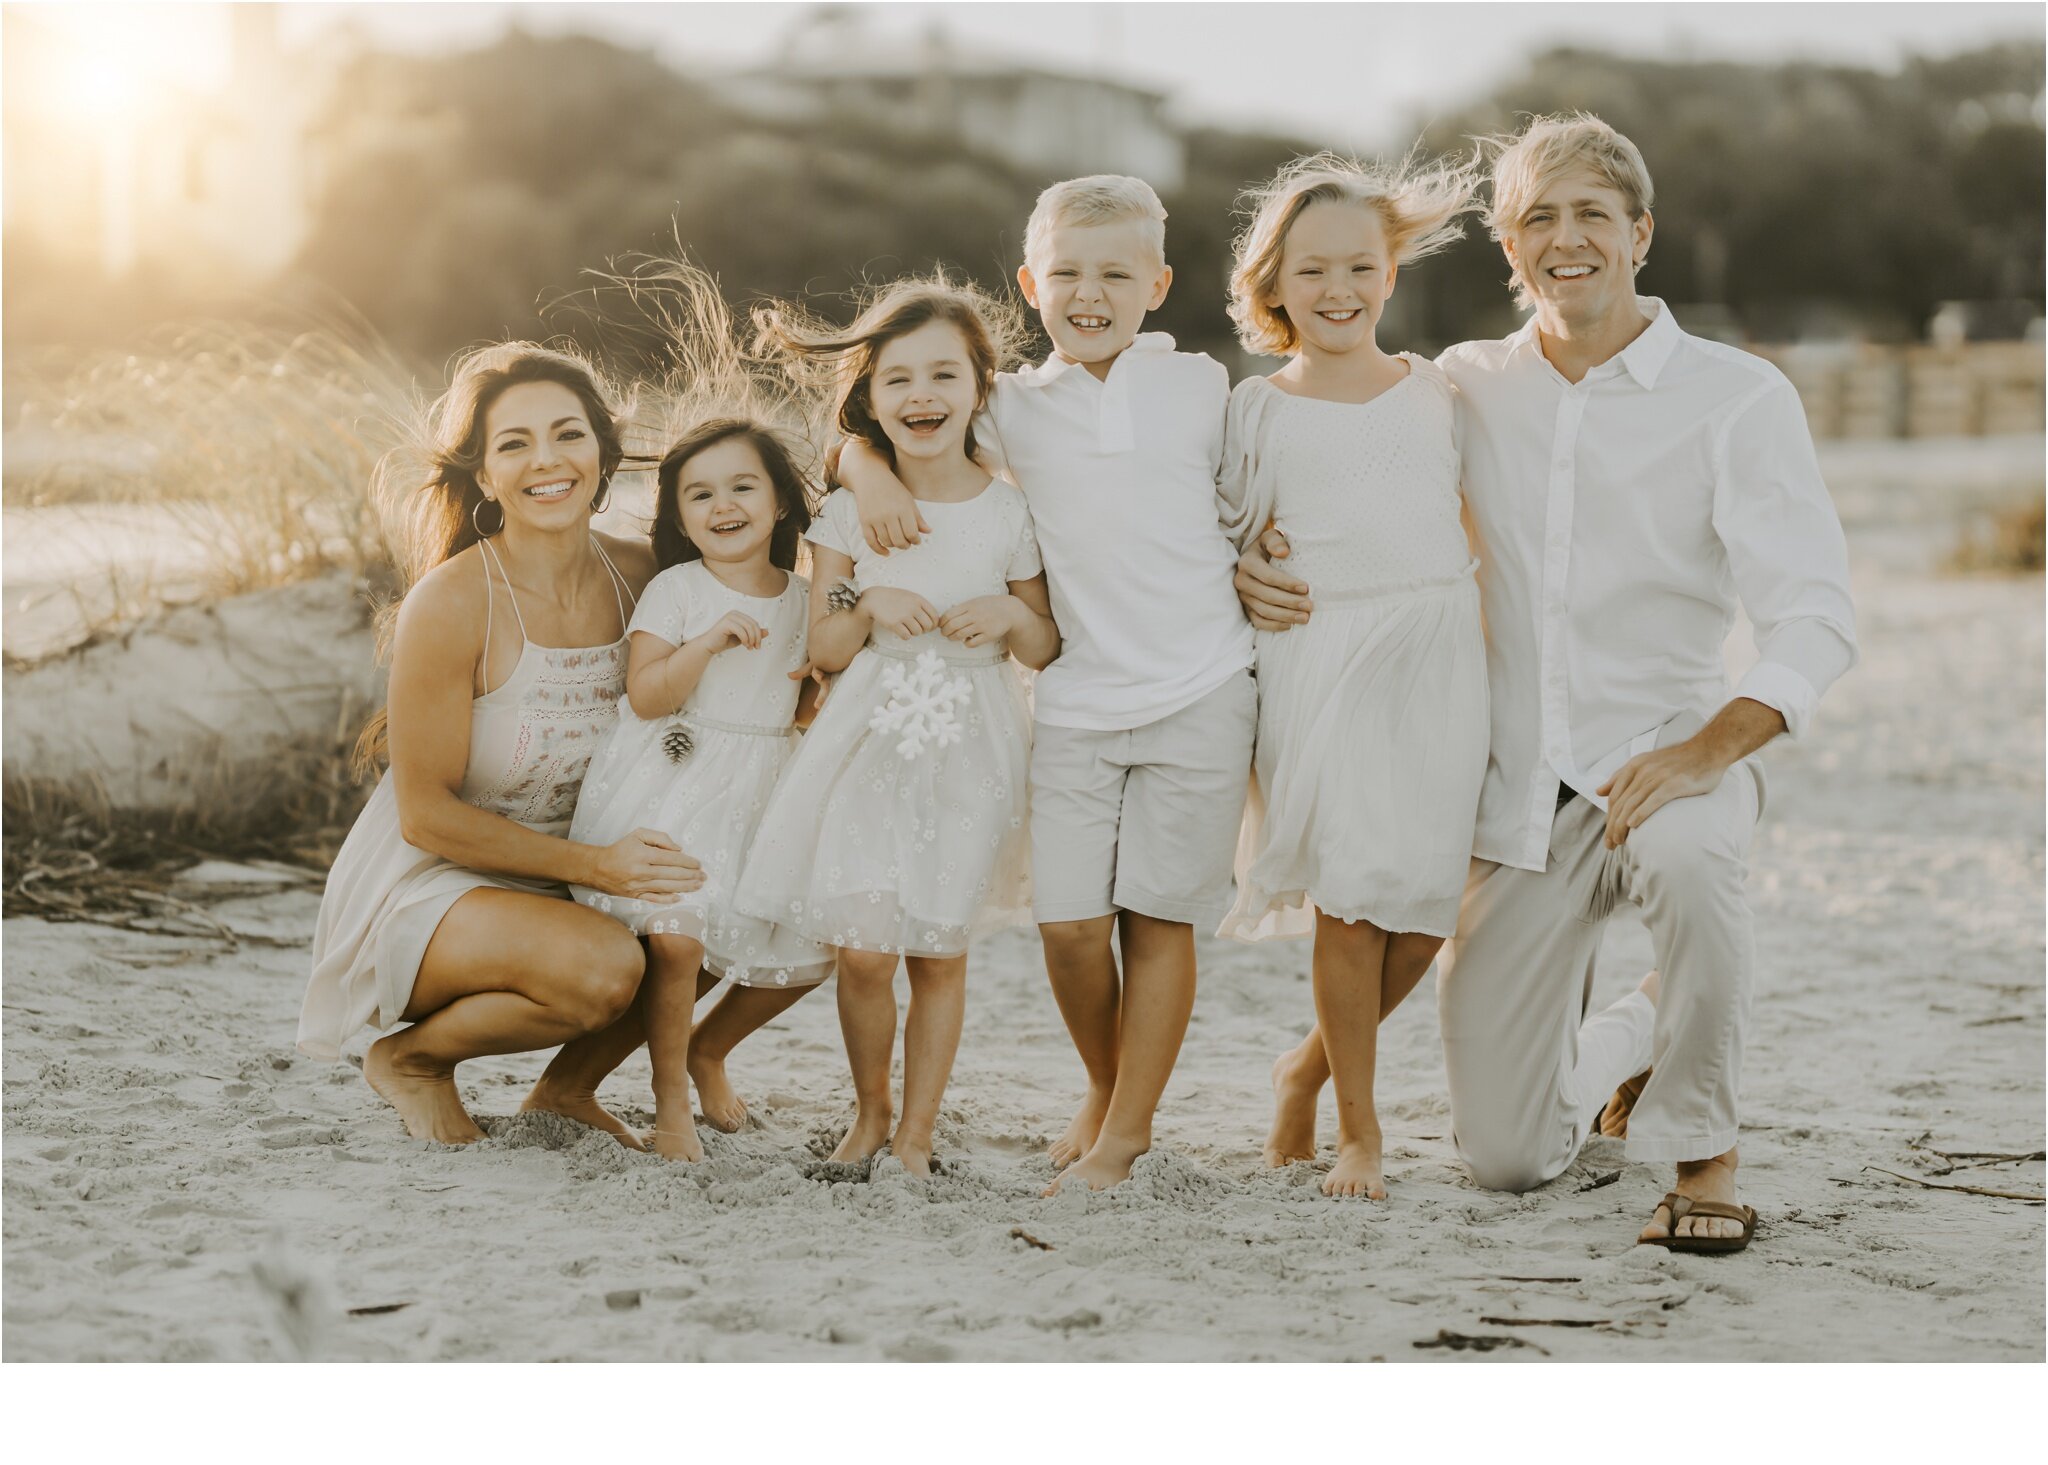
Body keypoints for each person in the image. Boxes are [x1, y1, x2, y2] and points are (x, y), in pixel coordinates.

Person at [1236, 114, 1857, 1252]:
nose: (1564, 239)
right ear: (1507, 250)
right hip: (1516, 791)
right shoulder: (1459, 388)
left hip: (1672, 753)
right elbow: (1346, 483)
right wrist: (1255, 560)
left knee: (1693, 863)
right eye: (1536, 219)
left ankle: (1701, 1152)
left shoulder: (1735, 397)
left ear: (1639, 234)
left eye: (1590, 215)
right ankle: (1639, 1034)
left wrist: (1705, 751)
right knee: (1510, 1159)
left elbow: (1815, 615)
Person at [837, 177, 1257, 1193]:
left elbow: (1253, 500)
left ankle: (1121, 1133)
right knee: (1068, 927)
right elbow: (881, 427)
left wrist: (1265, 554)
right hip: (1073, 695)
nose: (1089, 292)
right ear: (1030, 283)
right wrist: (869, 475)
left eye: (1116, 272)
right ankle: (1110, 1089)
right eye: (1066, 272)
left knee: (1156, 918)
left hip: (1201, 686)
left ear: (1156, 283)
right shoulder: (1011, 408)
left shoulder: (1202, 385)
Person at [300, 344, 702, 1147]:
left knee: (722, 904)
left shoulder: (647, 578)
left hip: (579, 869)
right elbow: (424, 817)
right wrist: (600, 867)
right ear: (484, 476)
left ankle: (565, 1088)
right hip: (439, 883)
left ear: (602, 453)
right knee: (605, 968)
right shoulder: (451, 604)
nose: (545, 461)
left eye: (567, 435)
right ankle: (410, 1058)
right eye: (513, 444)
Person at [735, 278, 1060, 1178]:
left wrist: (1004, 612)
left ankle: (918, 1133)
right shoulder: (849, 512)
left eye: (944, 376)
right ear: (870, 400)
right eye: (899, 381)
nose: (922, 397)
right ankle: (870, 1111)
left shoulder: (1009, 509)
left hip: (973, 745)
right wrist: (866, 593)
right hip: (869, 741)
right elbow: (827, 645)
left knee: (938, 951)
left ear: (978, 388)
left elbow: (1042, 642)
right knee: (867, 952)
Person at [1213, 153, 1487, 1200]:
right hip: (1319, 656)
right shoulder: (1257, 410)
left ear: (1390, 272)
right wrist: (1240, 571)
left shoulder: (1439, 390)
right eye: (1312, 270)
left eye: (1359, 267)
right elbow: (1218, 537)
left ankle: (1304, 1063)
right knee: (1351, 903)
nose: (1337, 291)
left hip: (1435, 649)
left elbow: (1479, 519)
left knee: (1422, 915)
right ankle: (1357, 1135)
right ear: (1271, 284)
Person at [550, 418, 835, 1160]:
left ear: (779, 503)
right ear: (679, 518)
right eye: (700, 495)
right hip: (678, 777)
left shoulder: (807, 600)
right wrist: (705, 644)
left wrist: (820, 695)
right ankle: (669, 1095)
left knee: (813, 943)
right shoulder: (677, 589)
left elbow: (797, 707)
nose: (723, 504)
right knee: (679, 939)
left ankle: (710, 1049)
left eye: (743, 486)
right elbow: (646, 695)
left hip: (766, 786)